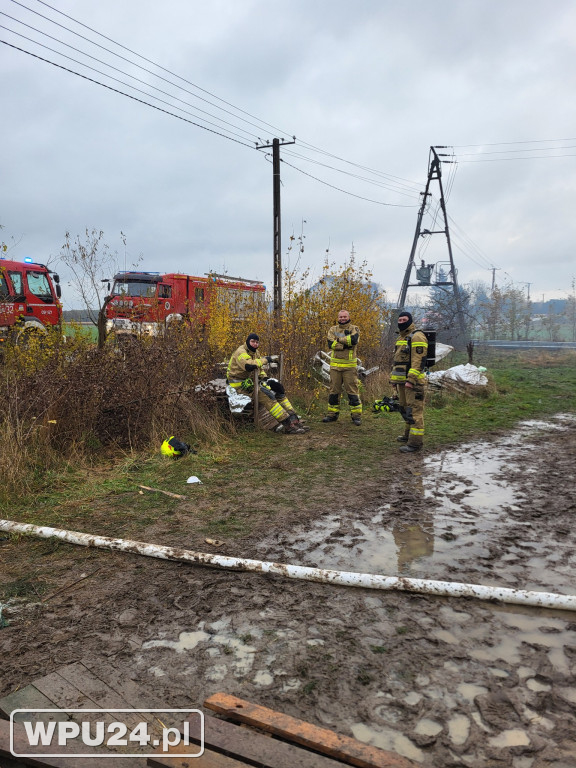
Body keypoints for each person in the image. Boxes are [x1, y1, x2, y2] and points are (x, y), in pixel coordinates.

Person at [226, 333, 306, 434]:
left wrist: (266, 379)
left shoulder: (256, 352)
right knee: (267, 395)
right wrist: (266, 360)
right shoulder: (241, 352)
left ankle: (294, 420)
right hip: (238, 385)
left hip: (251, 382)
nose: (255, 344)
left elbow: (259, 369)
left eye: (257, 342)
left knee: (278, 390)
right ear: (247, 341)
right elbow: (249, 366)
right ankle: (288, 425)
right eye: (252, 341)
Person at [390, 311, 427, 452]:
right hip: (401, 382)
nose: (401, 322)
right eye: (399, 320)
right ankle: (407, 435)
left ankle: (415, 443)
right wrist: (393, 379)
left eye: (404, 320)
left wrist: (411, 380)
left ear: (410, 320)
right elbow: (397, 361)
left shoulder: (417, 336)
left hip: (413, 383)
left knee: (414, 411)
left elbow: (418, 361)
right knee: (405, 409)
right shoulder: (401, 337)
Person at [323, 309, 362, 426]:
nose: (343, 319)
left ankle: (356, 416)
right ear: (338, 318)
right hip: (335, 367)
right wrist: (345, 344)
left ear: (348, 317)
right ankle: (332, 415)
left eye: (345, 317)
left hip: (349, 367)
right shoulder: (332, 329)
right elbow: (331, 344)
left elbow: (353, 340)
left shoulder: (354, 328)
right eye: (341, 317)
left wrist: (338, 340)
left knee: (352, 391)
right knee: (333, 391)